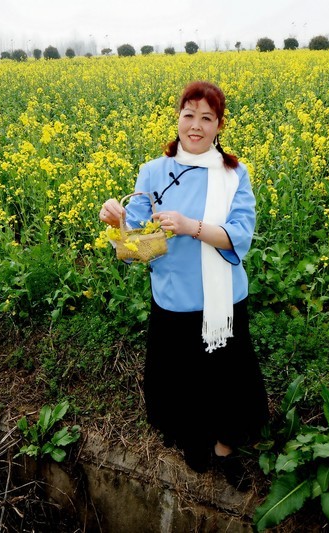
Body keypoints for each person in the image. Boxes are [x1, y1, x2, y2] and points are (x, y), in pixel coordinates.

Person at [99, 80, 269, 490]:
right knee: (185, 379)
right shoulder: (153, 171)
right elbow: (135, 229)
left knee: (227, 378)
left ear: (218, 125)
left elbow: (239, 235)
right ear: (177, 118)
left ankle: (226, 449)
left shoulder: (234, 174)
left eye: (206, 118)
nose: (196, 126)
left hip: (221, 299)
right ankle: (194, 441)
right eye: (188, 115)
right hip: (174, 295)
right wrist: (115, 219)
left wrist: (192, 227)